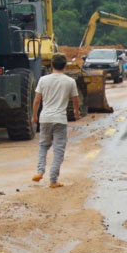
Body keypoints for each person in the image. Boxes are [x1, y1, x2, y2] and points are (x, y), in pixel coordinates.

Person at [31, 53, 80, 188]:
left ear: (51, 65)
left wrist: (34, 115)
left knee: (43, 145)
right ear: (65, 66)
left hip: (45, 118)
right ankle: (53, 180)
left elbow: (37, 100)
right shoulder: (70, 81)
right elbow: (75, 100)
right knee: (58, 150)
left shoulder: (43, 80)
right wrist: (76, 112)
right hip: (60, 120)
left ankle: (40, 171)